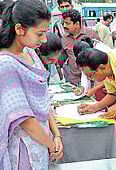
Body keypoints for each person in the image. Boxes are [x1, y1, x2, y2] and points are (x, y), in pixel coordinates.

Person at [0, 0, 63, 169]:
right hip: (23, 146)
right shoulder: (6, 63)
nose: (43, 40)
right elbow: (25, 120)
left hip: (42, 139)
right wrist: (51, 144)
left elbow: (44, 98)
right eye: (39, 34)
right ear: (19, 29)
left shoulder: (30, 53)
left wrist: (56, 135)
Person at [60, 9, 91, 86]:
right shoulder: (64, 38)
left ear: (77, 24)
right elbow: (61, 58)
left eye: (67, 23)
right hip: (73, 80)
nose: (64, 26)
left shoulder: (91, 34)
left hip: (90, 80)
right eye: (63, 23)